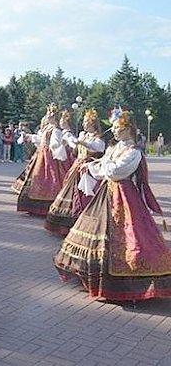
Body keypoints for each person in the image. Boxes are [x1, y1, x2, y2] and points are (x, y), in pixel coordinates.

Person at [53, 110, 171, 302]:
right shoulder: (115, 148)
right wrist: (92, 167)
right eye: (114, 127)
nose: (114, 131)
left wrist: (96, 166)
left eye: (118, 128)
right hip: (107, 193)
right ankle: (92, 273)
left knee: (129, 235)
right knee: (95, 230)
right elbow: (104, 166)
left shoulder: (134, 153)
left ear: (128, 129)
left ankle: (130, 281)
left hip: (124, 196)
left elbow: (116, 171)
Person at [45, 109, 105, 236]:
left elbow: (98, 148)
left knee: (84, 195)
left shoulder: (98, 138)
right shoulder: (83, 134)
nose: (84, 124)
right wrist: (69, 142)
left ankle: (82, 222)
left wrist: (82, 142)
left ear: (93, 124)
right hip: (78, 165)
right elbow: (75, 148)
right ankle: (65, 223)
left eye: (87, 122)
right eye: (84, 122)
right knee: (70, 191)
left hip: (88, 168)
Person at [12, 104, 72, 216]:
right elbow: (41, 139)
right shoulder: (48, 128)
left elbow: (55, 143)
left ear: (54, 118)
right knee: (38, 178)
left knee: (50, 179)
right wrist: (30, 137)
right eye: (48, 115)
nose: (47, 117)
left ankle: (47, 206)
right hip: (42, 154)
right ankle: (34, 206)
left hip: (49, 157)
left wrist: (54, 145)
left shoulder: (56, 130)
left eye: (50, 115)